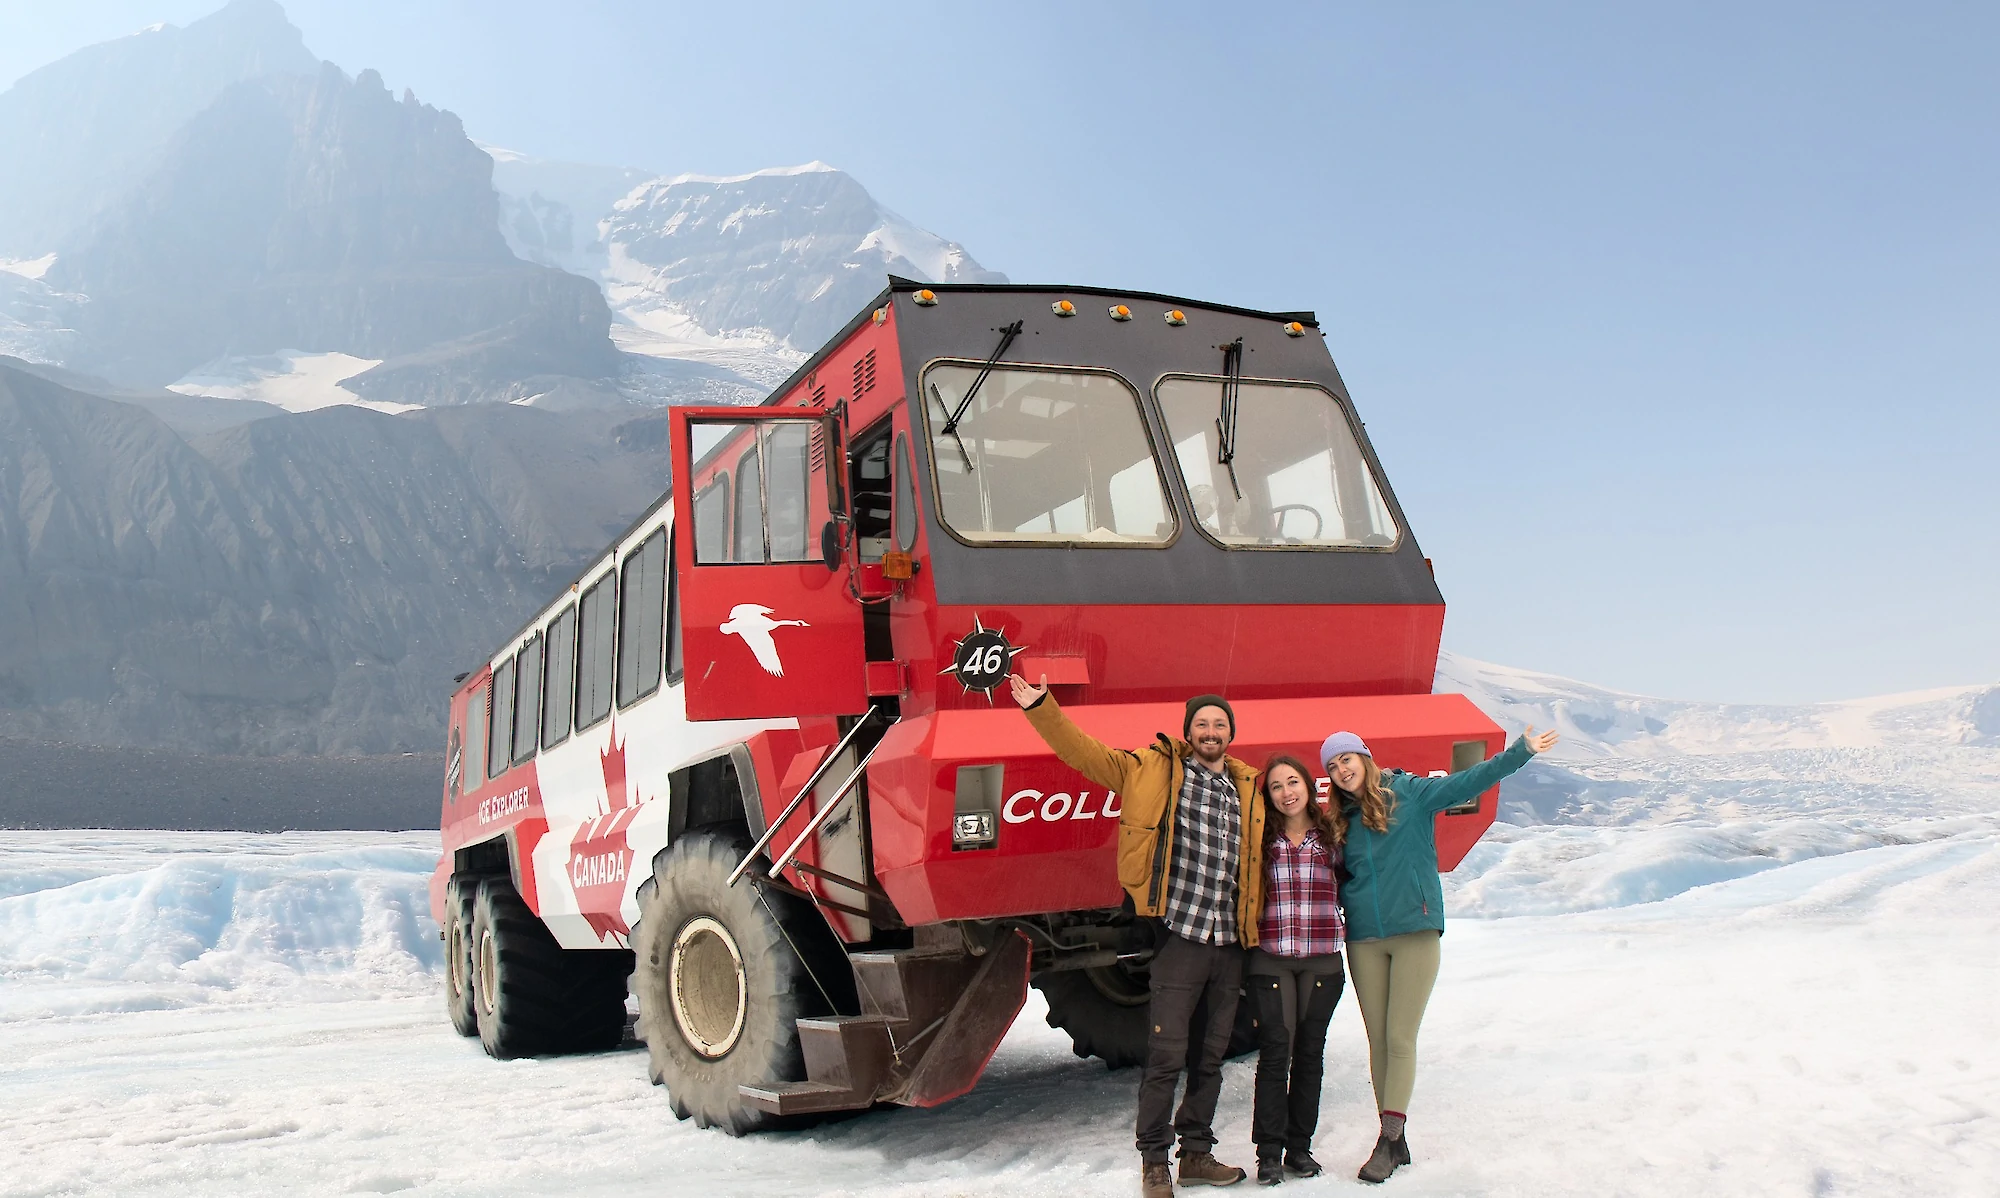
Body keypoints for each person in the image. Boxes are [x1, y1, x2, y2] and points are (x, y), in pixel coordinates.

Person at [1011, 672, 1266, 1198]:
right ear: (1188, 731)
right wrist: (1041, 707)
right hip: (1178, 938)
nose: (1211, 730)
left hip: (1229, 944)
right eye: (1202, 722)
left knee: (1210, 1057)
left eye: (1220, 723)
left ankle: (1196, 1153)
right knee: (1166, 1055)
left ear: (1231, 733)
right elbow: (1084, 753)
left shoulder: (1249, 785)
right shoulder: (1149, 769)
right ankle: (1154, 1162)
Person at [1325, 726, 1558, 1184]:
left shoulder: (1410, 792)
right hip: (1364, 938)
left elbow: (1469, 782)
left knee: (1399, 1038)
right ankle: (1393, 1136)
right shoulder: (1340, 818)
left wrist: (1522, 751)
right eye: (1332, 766)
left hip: (1415, 929)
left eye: (1346, 759)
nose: (1341, 770)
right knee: (1378, 1042)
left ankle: (1389, 1141)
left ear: (1365, 757)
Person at [1245, 754, 1346, 1186]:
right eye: (1276, 787)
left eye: (1292, 782)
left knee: (1309, 1052)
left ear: (1308, 786)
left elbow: (1357, 883)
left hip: (1322, 955)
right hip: (1271, 956)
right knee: (1275, 1051)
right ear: (1268, 797)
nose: (1286, 792)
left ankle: (1298, 1149)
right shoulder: (1259, 841)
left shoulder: (1333, 838)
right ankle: (1268, 1153)